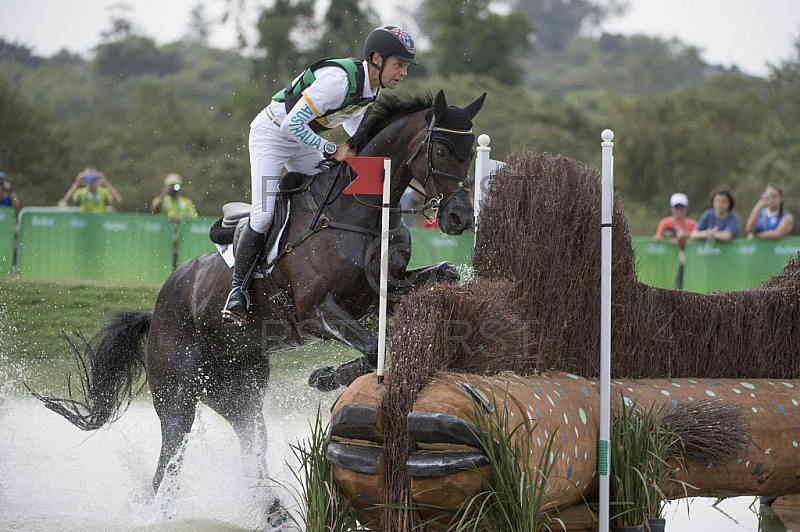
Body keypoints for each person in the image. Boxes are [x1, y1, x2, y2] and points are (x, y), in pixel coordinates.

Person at [222, 26, 419, 325]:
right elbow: (291, 125)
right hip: (272, 136)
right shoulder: (337, 81)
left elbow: (352, 124)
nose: (403, 72)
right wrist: (332, 149)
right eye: (399, 64)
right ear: (377, 59)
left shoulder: (372, 88)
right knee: (262, 215)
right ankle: (238, 291)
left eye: (405, 67)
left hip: (302, 140)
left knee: (331, 191)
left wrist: (369, 156)